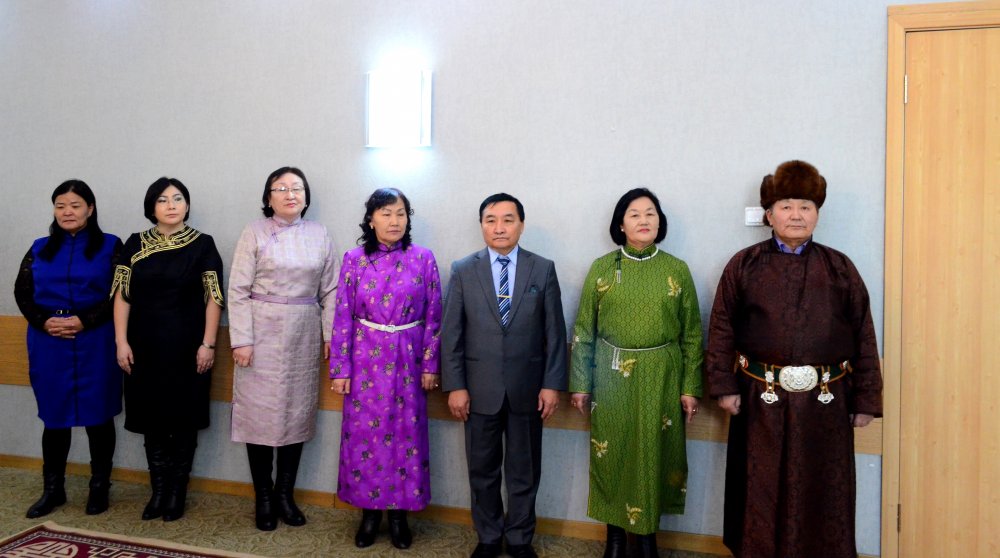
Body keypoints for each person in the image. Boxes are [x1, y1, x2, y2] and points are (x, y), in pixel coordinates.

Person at [706, 160, 883, 558]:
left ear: (818, 213)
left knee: (823, 492)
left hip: (826, 406)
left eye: (806, 206)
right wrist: (723, 387)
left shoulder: (840, 268)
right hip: (759, 402)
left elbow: (864, 334)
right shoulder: (743, 265)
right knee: (759, 490)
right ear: (769, 215)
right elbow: (721, 328)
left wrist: (866, 400)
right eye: (786, 206)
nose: (796, 215)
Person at [569, 188, 703, 558]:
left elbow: (693, 334)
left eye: (650, 213)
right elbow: (583, 331)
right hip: (611, 377)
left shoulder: (676, 269)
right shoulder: (602, 268)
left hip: (663, 376)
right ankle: (615, 539)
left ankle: (647, 541)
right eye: (634, 214)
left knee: (655, 454)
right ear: (621, 224)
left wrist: (690, 387)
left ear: (660, 221)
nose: (644, 220)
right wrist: (580, 384)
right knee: (612, 453)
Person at [441, 193, 567, 558]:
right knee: (482, 470)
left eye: (508, 220)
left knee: (524, 470)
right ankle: (488, 536)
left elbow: (555, 332)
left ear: (521, 225)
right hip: (478, 390)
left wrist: (551, 384)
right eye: (491, 220)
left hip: (529, 389)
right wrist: (456, 386)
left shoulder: (542, 268)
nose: (499, 227)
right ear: (482, 225)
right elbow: (452, 334)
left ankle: (519, 539)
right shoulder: (463, 269)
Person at [330, 188, 442, 549]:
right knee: (365, 437)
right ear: (371, 219)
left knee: (406, 437)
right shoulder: (354, 260)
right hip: (365, 361)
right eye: (386, 213)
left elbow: (435, 315)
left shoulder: (423, 258)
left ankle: (398, 517)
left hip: (409, 360)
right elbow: (342, 315)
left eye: (401, 214)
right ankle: (368, 515)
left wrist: (430, 364)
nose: (394, 221)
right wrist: (340, 369)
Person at [228, 167, 338, 531]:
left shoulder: (320, 233)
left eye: (297, 188)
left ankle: (285, 495)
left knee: (296, 414)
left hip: (304, 334)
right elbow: (237, 290)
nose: (291, 194)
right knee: (258, 416)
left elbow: (331, 290)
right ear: (268, 197)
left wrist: (330, 336)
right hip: (260, 333)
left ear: (306, 196)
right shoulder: (254, 232)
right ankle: (263, 496)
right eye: (281, 188)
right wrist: (241, 339)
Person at [112, 177, 224, 522]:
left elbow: (214, 298)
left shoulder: (203, 244)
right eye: (162, 200)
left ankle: (177, 492)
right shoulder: (133, 243)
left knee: (184, 418)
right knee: (152, 419)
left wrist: (208, 343)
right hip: (144, 346)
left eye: (177, 198)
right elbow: (122, 296)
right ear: (151, 207)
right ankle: (158, 491)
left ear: (187, 205)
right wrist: (121, 341)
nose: (171, 205)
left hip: (189, 347)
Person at [14, 180, 123, 518]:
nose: (67, 212)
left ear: (90, 208)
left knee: (99, 416)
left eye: (75, 205)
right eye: (60, 206)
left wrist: (85, 321)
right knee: (54, 417)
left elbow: (119, 293)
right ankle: (53, 490)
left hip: (96, 340)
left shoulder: (111, 245)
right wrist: (44, 321)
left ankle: (99, 487)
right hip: (49, 341)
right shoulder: (39, 247)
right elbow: (22, 292)